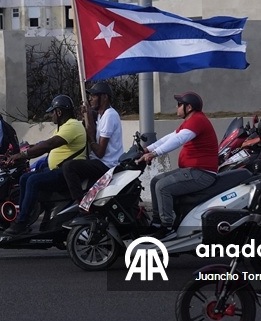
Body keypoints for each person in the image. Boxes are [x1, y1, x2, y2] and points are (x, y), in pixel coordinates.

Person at [138, 92, 219, 241]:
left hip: (201, 173)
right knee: (155, 181)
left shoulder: (198, 121)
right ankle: (156, 223)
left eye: (179, 104)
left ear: (189, 107)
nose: (176, 107)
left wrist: (154, 154)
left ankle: (166, 227)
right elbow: (170, 137)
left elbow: (178, 140)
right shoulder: (190, 121)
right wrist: (147, 149)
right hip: (192, 171)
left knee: (162, 187)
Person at [2, 95, 86, 237]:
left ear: (59, 112)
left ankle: (22, 222)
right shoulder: (63, 127)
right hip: (57, 170)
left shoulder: (73, 126)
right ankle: (24, 219)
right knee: (24, 178)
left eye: (52, 112)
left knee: (33, 181)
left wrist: (21, 155)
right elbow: (43, 144)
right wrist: (17, 154)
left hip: (65, 173)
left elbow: (48, 145)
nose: (51, 115)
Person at [62, 82, 123, 200]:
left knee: (69, 167)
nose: (90, 99)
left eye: (94, 96)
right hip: (100, 161)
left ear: (104, 97)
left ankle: (79, 204)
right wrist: (88, 114)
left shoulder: (110, 115)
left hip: (106, 164)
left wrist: (90, 137)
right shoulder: (101, 115)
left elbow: (100, 152)